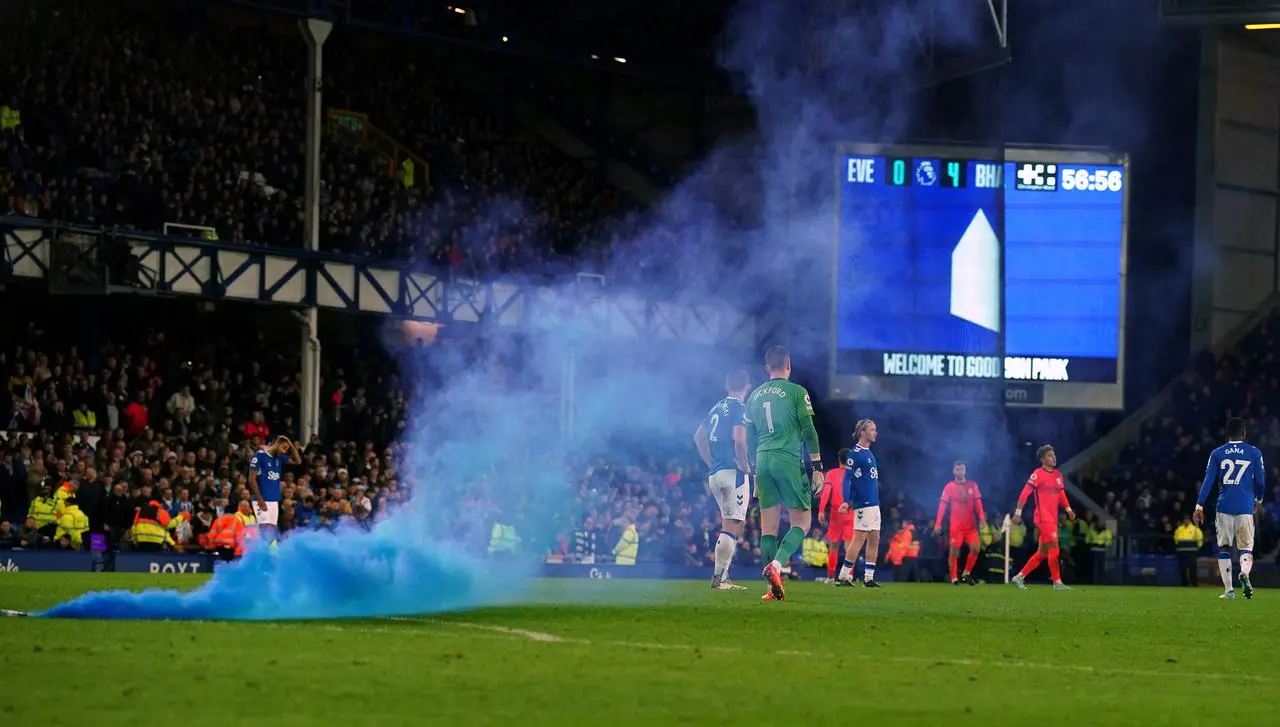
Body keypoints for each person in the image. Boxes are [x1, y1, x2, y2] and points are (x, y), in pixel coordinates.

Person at [743, 345, 824, 601]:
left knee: (768, 529)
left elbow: (747, 436)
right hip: (787, 458)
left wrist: (754, 469)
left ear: (767, 367)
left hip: (762, 459)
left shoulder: (754, 396)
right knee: (803, 522)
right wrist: (817, 467)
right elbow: (809, 430)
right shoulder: (797, 392)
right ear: (788, 364)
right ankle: (776, 566)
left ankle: (770, 589)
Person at [693, 368, 753, 591]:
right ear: (747, 386)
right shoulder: (740, 408)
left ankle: (723, 576)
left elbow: (699, 437)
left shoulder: (716, 407)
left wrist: (711, 463)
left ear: (727, 386)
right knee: (732, 523)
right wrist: (744, 464)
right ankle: (719, 578)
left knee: (734, 522)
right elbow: (739, 439)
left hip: (716, 473)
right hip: (732, 472)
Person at [1194, 417, 1266, 600]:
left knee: (1224, 547)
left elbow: (1208, 481)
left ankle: (1228, 590)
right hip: (1245, 507)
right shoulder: (1254, 452)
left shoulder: (1217, 453)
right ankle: (1244, 573)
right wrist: (1258, 499)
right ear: (1244, 433)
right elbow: (1260, 481)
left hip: (1224, 506)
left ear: (1227, 434)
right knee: (1246, 548)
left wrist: (1199, 505)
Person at [1011, 445, 1075, 590]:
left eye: (1054, 454)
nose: (1053, 457)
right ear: (1042, 459)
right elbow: (1025, 492)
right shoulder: (1037, 474)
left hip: (1052, 518)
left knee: (1043, 552)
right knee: (1055, 548)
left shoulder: (1058, 475)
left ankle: (1019, 577)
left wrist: (1068, 509)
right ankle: (1057, 582)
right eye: (1049, 455)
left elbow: (1061, 494)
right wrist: (1018, 512)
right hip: (1042, 517)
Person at [838, 419, 882, 587]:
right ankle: (843, 576)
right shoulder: (855, 454)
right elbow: (847, 479)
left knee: (874, 538)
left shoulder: (868, 452)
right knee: (859, 538)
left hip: (874, 502)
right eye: (872, 430)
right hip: (864, 503)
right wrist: (846, 501)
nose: (875, 432)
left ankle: (869, 578)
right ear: (862, 433)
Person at [933, 461, 986, 585]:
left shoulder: (973, 486)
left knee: (976, 548)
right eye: (957, 469)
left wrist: (982, 518)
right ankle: (954, 578)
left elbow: (978, 504)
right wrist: (938, 523)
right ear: (953, 471)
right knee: (954, 552)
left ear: (965, 471)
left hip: (971, 526)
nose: (960, 471)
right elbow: (942, 506)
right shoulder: (949, 487)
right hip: (956, 527)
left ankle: (966, 573)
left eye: (962, 469)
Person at [248, 435, 301, 545]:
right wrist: (260, 500)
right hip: (262, 500)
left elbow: (298, 461)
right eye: (284, 448)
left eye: (287, 449)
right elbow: (251, 480)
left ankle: (268, 557)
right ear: (277, 444)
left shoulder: (279, 458)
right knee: (264, 531)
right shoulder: (259, 456)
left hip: (274, 500)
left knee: (271, 532)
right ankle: (259, 556)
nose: (285, 451)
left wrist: (290, 443)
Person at [817, 447, 854, 584]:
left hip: (836, 513)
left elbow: (826, 492)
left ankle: (831, 577)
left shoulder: (832, 474)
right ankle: (848, 575)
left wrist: (821, 510)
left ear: (839, 459)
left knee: (834, 546)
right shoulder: (854, 475)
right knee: (850, 547)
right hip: (851, 512)